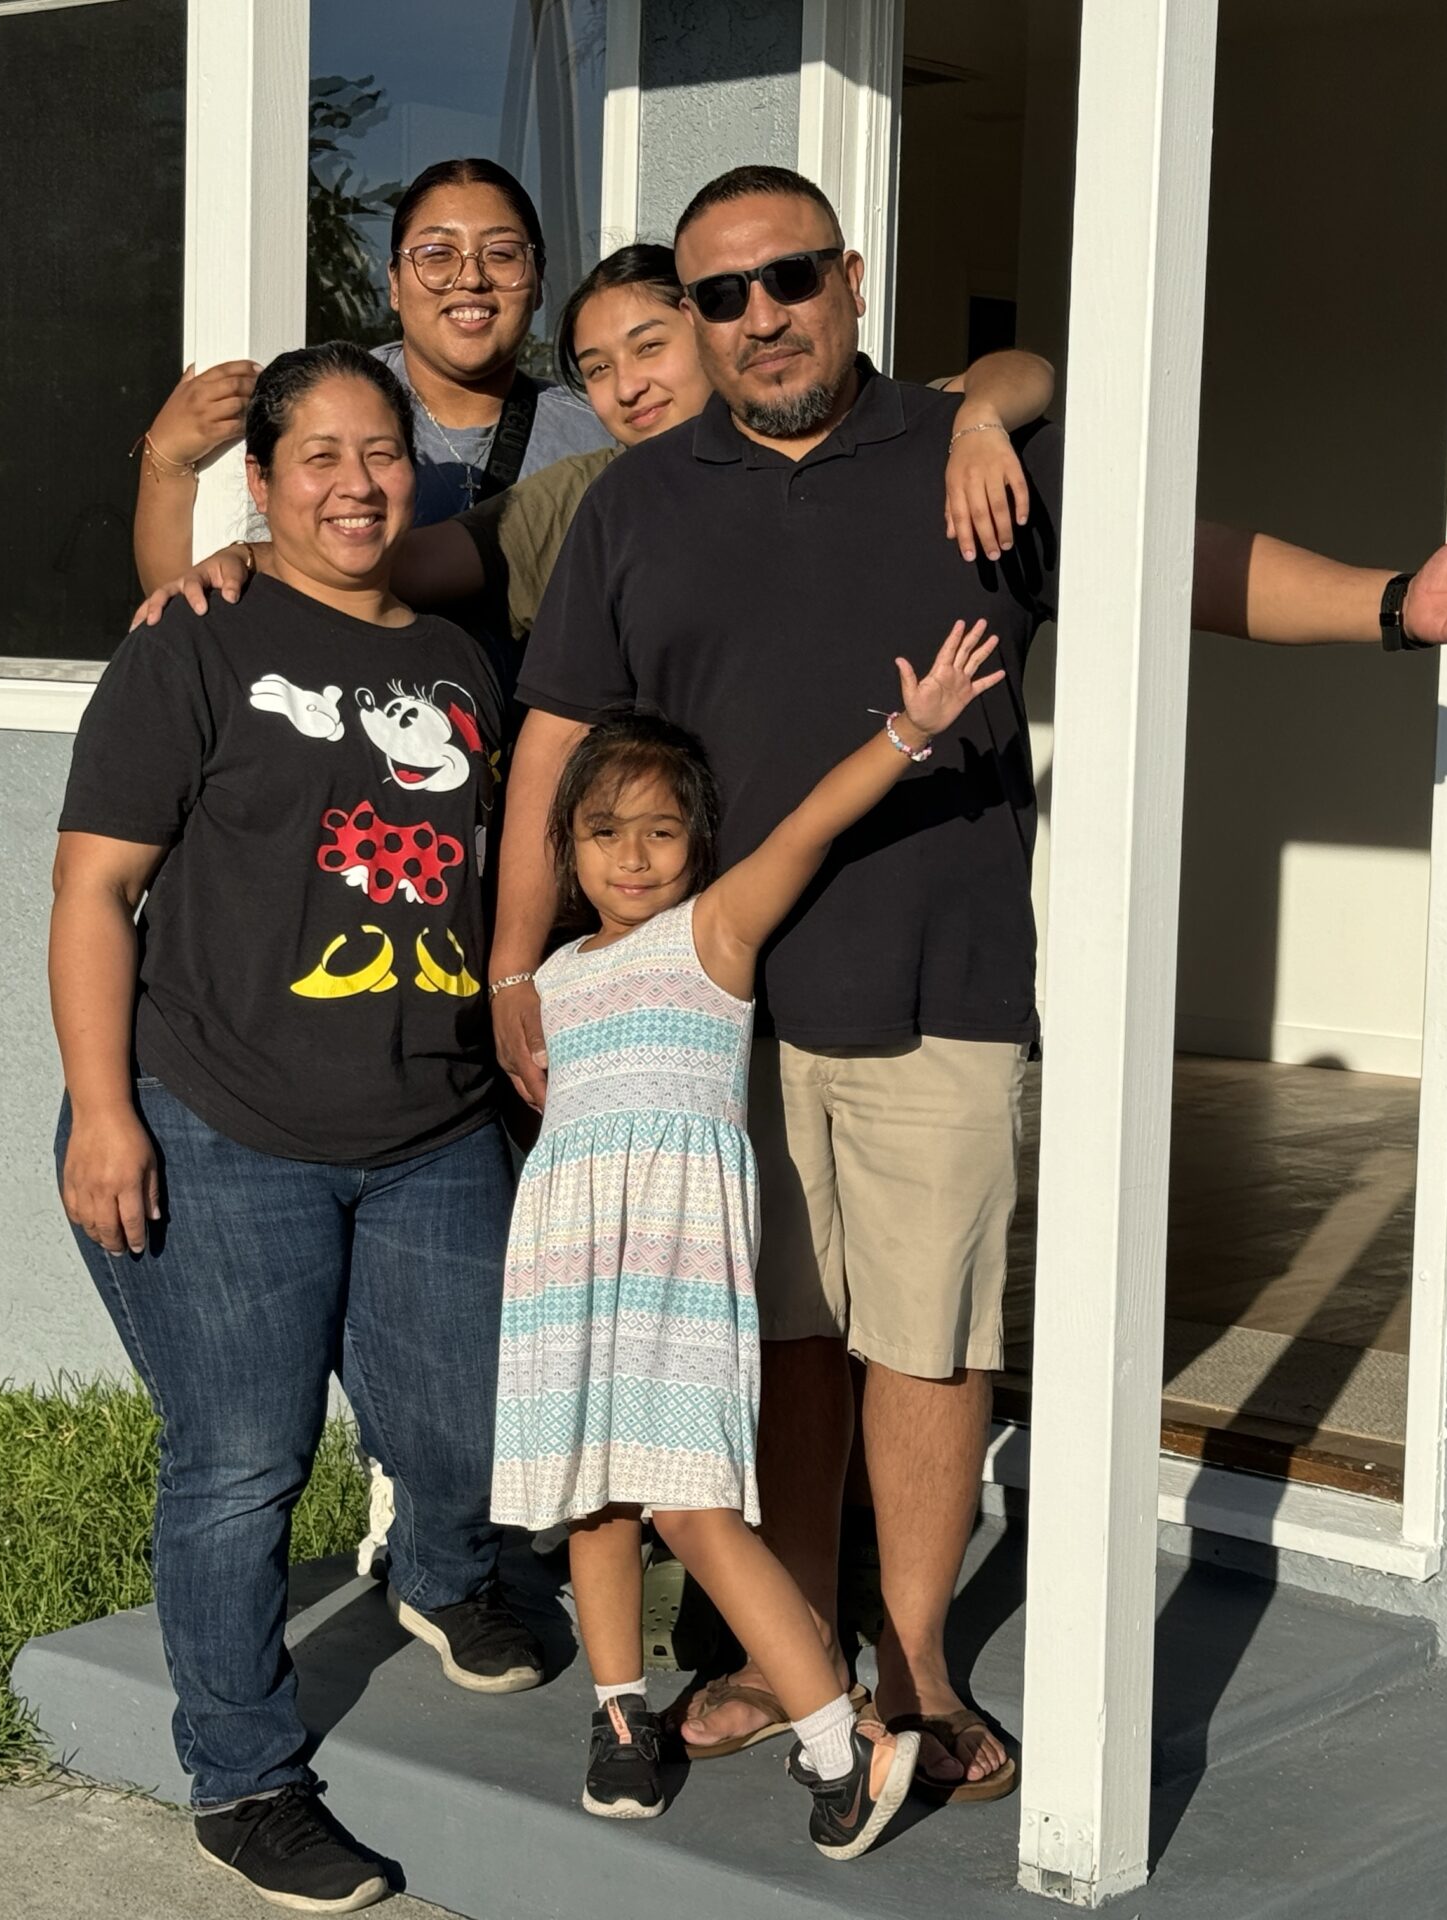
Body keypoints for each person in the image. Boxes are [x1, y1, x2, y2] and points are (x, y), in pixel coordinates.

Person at [491, 164, 1447, 1804]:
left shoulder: (968, 450)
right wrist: (514, 962)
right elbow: (557, 739)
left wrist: (1393, 608)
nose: (759, 316)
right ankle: (792, 1654)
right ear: (694, 320)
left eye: (788, 278)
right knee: (780, 1342)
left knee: (926, 1345)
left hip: (939, 984)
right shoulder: (639, 504)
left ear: (850, 278)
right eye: (721, 295)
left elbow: (1182, 567)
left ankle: (916, 1665)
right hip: (715, 1017)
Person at [51, 344, 548, 1916]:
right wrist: (106, 1111)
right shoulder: (192, 639)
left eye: (381, 452)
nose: (355, 482)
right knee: (241, 1462)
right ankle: (244, 1778)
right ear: (259, 483)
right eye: (317, 456)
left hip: (431, 1123)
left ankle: (441, 1576)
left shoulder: (461, 659)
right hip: (219, 1117)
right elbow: (92, 891)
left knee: (463, 1424)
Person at [491, 619, 1008, 1852]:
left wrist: (909, 732)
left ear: (698, 845)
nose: (632, 856)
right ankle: (621, 1719)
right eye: (604, 832)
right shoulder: (549, 983)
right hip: (571, 1271)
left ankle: (839, 1740)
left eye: (660, 831)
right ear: (566, 848)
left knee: (690, 1506)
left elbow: (810, 828)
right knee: (593, 1501)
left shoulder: (710, 936)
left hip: (678, 1270)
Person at [139, 243, 1056, 658]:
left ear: (706, 327)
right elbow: (379, 559)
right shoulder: (586, 494)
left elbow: (1023, 372)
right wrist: (243, 553)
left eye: (649, 347)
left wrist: (979, 423)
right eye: (597, 369)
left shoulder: (856, 431)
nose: (628, 387)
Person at [133, 157, 613, 598]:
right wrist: (167, 457)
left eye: (501, 254)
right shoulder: (321, 403)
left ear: (538, 281)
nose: (471, 278)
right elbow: (191, 601)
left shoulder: (597, 433)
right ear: (395, 283)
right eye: (437, 254)